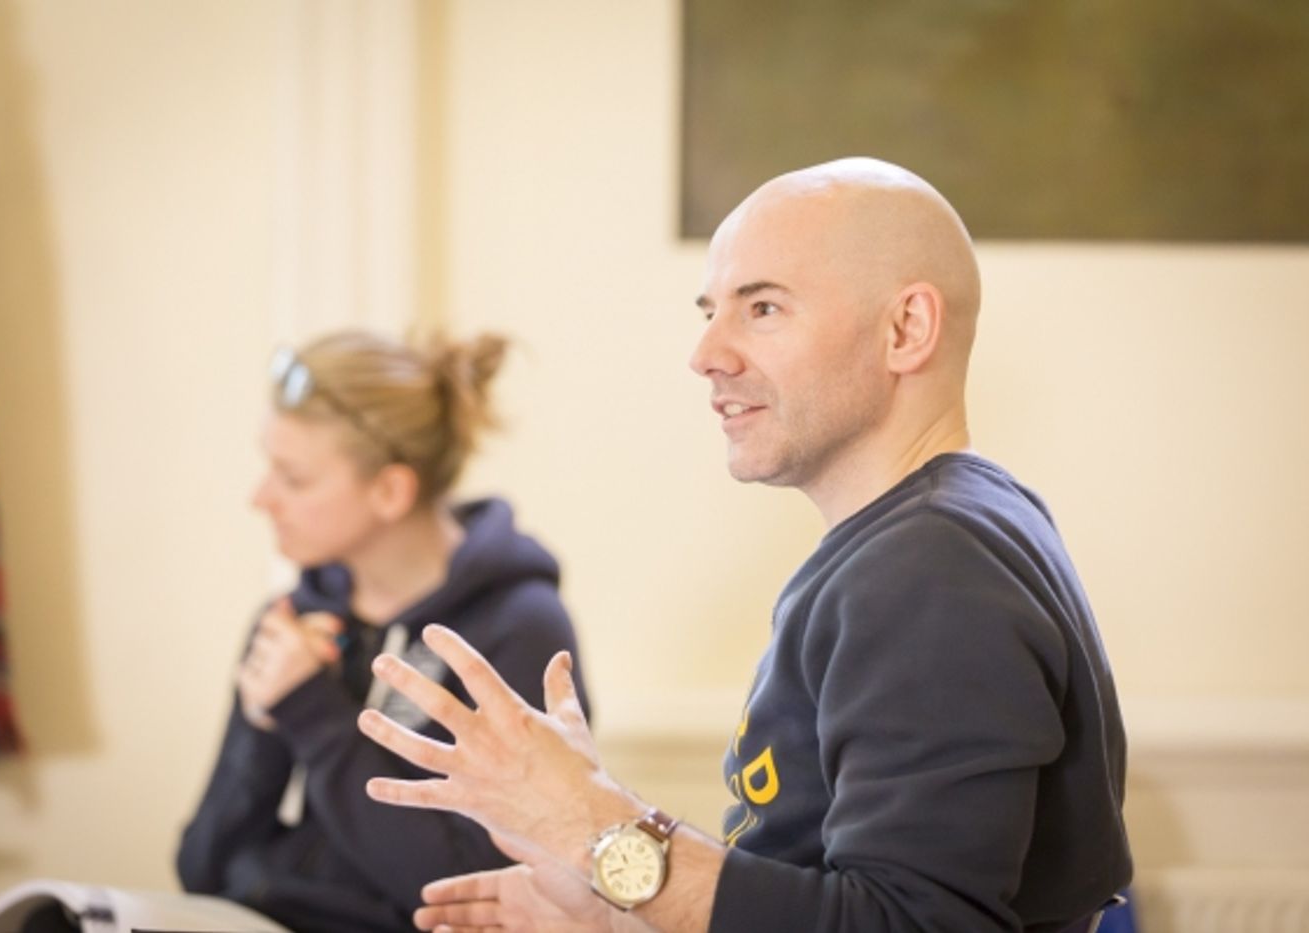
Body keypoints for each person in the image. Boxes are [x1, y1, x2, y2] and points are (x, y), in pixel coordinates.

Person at [352, 158, 1134, 933]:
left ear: (906, 329)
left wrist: (593, 823)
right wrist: (617, 913)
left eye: (762, 308)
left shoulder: (932, 570)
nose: (707, 355)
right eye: (710, 311)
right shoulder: (945, 529)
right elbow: (824, 894)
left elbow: (910, 924)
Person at [175, 329, 589, 933]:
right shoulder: (296, 620)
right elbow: (202, 870)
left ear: (390, 491)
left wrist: (311, 712)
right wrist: (264, 722)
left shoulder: (519, 629)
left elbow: (468, 896)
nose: (260, 498)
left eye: (293, 478)